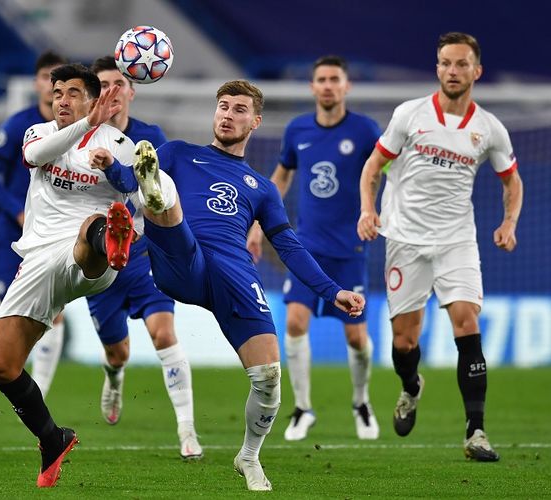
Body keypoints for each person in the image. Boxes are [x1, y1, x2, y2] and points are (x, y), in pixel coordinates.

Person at [94, 80, 365, 491]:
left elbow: (289, 247)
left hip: (233, 274)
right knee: (161, 198)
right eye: (223, 106)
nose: (228, 114)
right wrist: (113, 168)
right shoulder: (179, 153)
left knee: (269, 377)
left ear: (254, 121)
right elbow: (127, 184)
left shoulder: (263, 187)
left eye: (239, 109)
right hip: (179, 260)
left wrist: (332, 290)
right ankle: (159, 193)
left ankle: (249, 457)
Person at [357, 32, 523, 462]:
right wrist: (367, 210)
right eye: (446, 63)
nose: (453, 71)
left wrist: (509, 222)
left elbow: (512, 181)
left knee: (467, 326)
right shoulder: (409, 115)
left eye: (461, 64)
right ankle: (412, 387)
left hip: (456, 241)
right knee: (405, 340)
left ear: (477, 71)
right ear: (437, 68)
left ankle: (476, 432)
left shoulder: (489, 128)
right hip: (406, 240)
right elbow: (374, 165)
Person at [0, 63, 137, 488]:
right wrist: (88, 123)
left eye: (73, 92)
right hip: (37, 260)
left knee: (92, 224)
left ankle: (109, 239)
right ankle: (53, 439)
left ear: (93, 97)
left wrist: (115, 177)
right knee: (1, 365)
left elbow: (139, 203)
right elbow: (33, 158)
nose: (62, 100)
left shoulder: (121, 145)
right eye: (57, 93)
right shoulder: (38, 133)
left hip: (93, 259)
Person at [246, 55, 381, 441]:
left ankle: (361, 402)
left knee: (356, 337)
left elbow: (382, 171)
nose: (327, 85)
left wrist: (373, 210)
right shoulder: (298, 129)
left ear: (346, 86)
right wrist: (258, 221)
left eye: (334, 79)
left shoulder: (365, 130)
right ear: (312, 86)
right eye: (320, 79)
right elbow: (282, 175)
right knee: (294, 322)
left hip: (350, 250)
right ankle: (303, 408)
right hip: (306, 248)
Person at [87, 56, 202, 459]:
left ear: (133, 90)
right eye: (102, 84)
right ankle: (114, 376)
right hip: (98, 262)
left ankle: (187, 431)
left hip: (142, 254)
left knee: (164, 334)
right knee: (117, 351)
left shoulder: (150, 138)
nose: (112, 91)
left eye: (119, 83)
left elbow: (161, 192)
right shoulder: (78, 138)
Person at [0, 51, 67, 400]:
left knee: (54, 314)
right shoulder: (17, 126)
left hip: (52, 236)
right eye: (45, 77)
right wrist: (16, 210)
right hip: (13, 232)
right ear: (37, 83)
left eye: (59, 78)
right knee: (7, 309)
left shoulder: (73, 131)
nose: (52, 84)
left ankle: (42, 391)